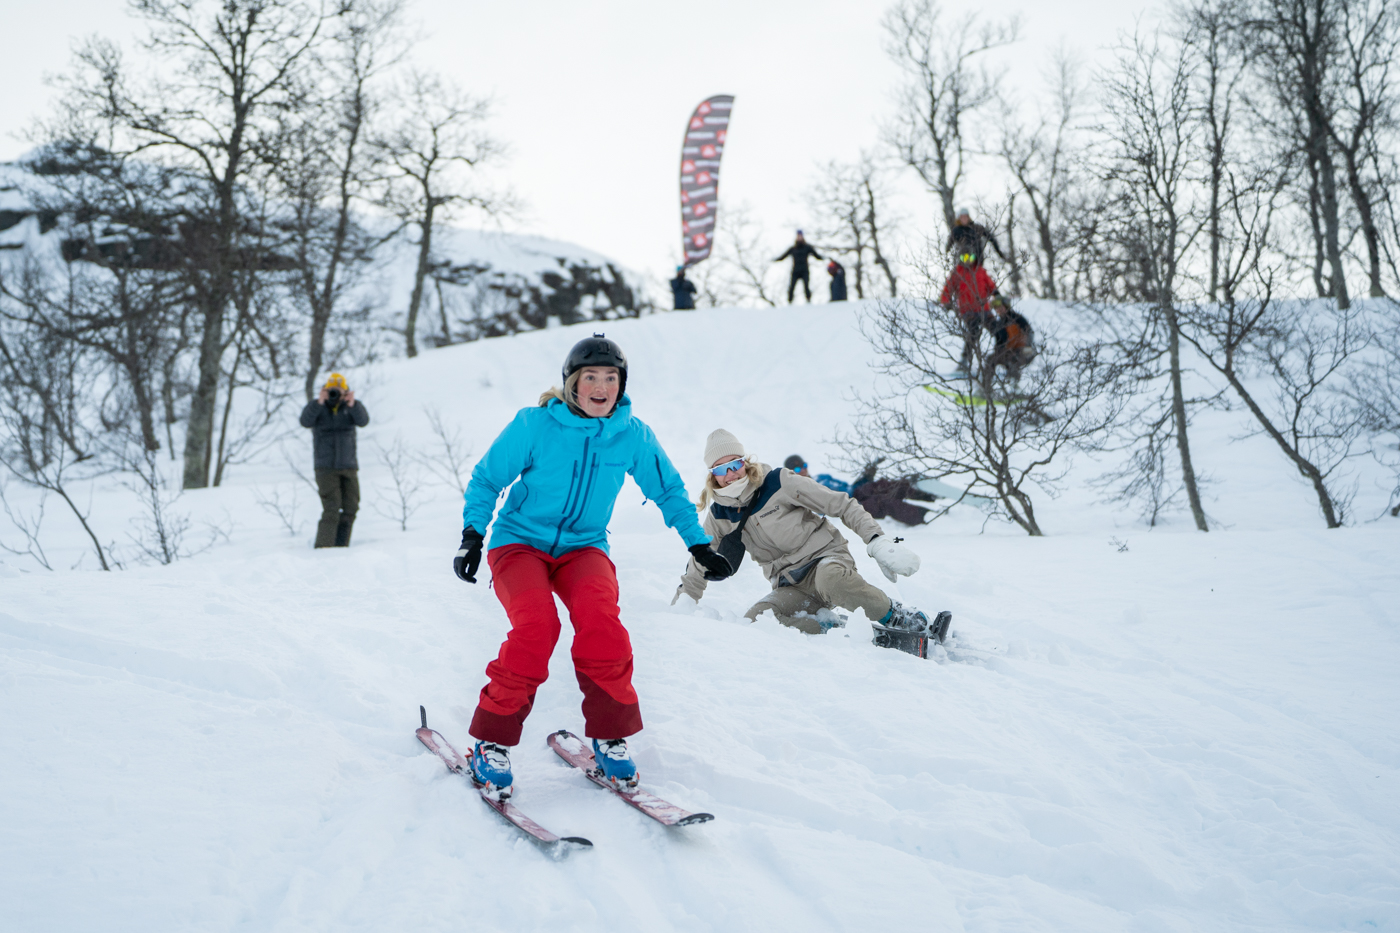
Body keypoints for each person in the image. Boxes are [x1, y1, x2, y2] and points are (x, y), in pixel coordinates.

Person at [452, 334, 731, 800]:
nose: (601, 387)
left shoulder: (632, 434)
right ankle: (491, 742)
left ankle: (609, 737)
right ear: (571, 384)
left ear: (621, 385)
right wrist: (472, 536)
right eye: (591, 378)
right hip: (519, 544)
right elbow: (486, 479)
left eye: (610, 378)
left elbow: (668, 490)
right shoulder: (534, 425)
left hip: (583, 548)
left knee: (603, 624)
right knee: (537, 627)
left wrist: (699, 545)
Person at [673, 429, 937, 641]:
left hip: (825, 560)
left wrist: (876, 540)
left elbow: (841, 504)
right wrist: (680, 608)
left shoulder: (778, 482)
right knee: (757, 620)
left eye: (735, 464)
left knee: (830, 579)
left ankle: (895, 615)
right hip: (791, 585)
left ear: (745, 462)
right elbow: (700, 559)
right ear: (712, 476)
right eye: (721, 469)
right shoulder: (719, 515)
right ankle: (833, 631)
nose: (731, 474)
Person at [300, 373, 370, 548]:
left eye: (338, 391)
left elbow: (363, 421)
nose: (334, 395)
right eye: (331, 391)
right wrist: (319, 402)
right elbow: (305, 421)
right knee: (332, 507)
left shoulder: (351, 407)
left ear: (346, 392)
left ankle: (340, 547)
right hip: (325, 467)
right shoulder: (318, 407)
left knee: (351, 507)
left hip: (348, 465)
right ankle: (323, 548)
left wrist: (352, 404)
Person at [940, 246, 1006, 376]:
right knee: (974, 332)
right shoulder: (957, 272)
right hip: (968, 311)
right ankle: (965, 361)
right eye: (964, 257)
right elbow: (948, 288)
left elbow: (991, 285)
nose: (967, 260)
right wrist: (946, 302)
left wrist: (997, 295)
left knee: (999, 331)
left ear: (974, 257)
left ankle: (1001, 360)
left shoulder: (980, 271)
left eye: (970, 257)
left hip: (984, 310)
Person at [990, 303, 1036, 381]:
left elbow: (1029, 333)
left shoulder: (1017, 318)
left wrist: (1025, 346)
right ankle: (986, 384)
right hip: (1009, 351)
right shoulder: (1000, 323)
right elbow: (999, 343)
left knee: (1013, 360)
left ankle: (1015, 383)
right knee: (991, 360)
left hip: (1023, 350)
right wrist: (999, 351)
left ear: (1006, 306)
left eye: (1001, 307)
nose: (999, 310)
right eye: (997, 308)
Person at [774, 230, 822, 304]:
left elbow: (816, 255)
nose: (799, 237)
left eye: (800, 236)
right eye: (798, 236)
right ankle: (790, 302)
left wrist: (823, 257)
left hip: (804, 270)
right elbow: (783, 256)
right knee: (792, 287)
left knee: (806, 286)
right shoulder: (793, 249)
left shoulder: (807, 247)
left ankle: (808, 301)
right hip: (795, 271)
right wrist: (776, 259)